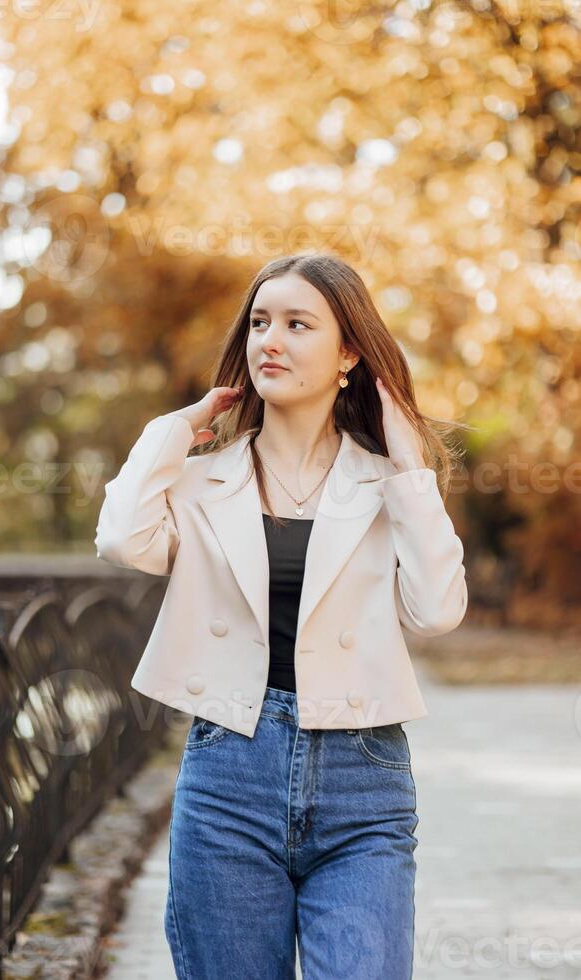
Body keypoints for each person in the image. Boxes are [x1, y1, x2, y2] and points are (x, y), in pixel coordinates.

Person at [95, 252, 468, 978]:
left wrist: (410, 468)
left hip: (365, 779)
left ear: (348, 354)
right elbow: (121, 539)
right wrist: (174, 431)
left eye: (299, 324)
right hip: (229, 769)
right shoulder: (203, 480)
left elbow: (435, 611)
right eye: (261, 322)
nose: (271, 339)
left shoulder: (391, 485)